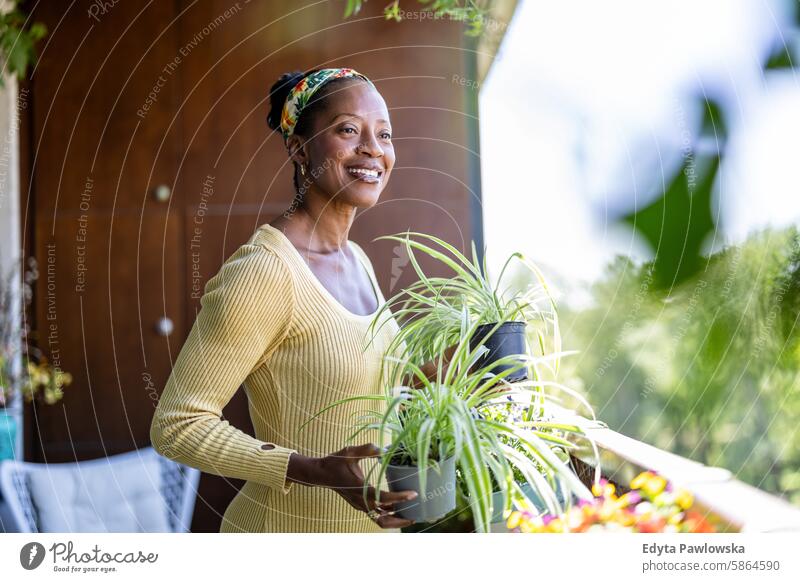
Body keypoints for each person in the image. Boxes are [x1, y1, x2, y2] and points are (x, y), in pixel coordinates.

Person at [150, 67, 419, 533]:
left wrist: (434, 376)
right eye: (348, 130)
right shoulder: (265, 271)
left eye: (384, 134)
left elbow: (356, 393)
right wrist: (312, 470)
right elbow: (178, 425)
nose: (373, 148)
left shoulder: (357, 260)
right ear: (298, 147)